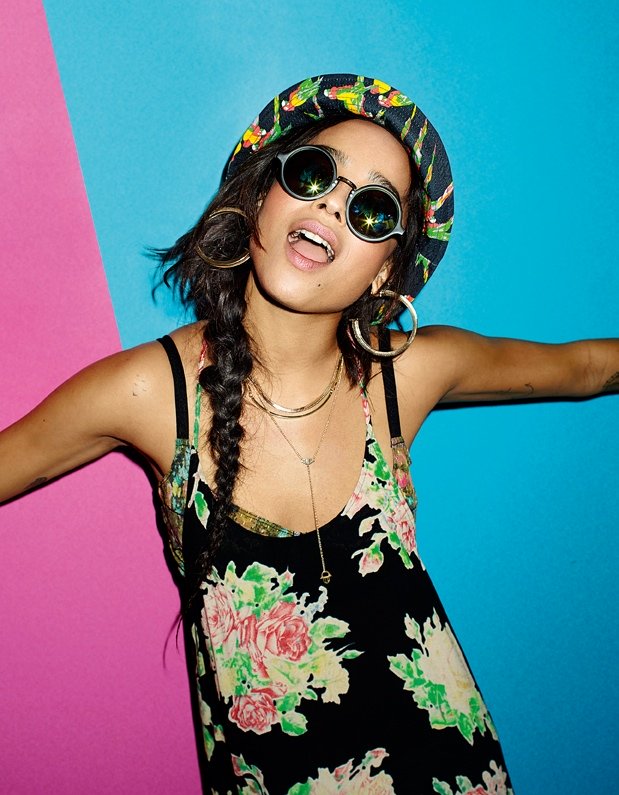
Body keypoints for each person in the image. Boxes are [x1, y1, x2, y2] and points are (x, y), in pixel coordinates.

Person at [0, 72, 616, 794]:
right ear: (262, 195)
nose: (333, 203)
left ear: (385, 271)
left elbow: (585, 367)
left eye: (373, 209)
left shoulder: (402, 375)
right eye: (315, 173)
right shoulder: (153, 392)